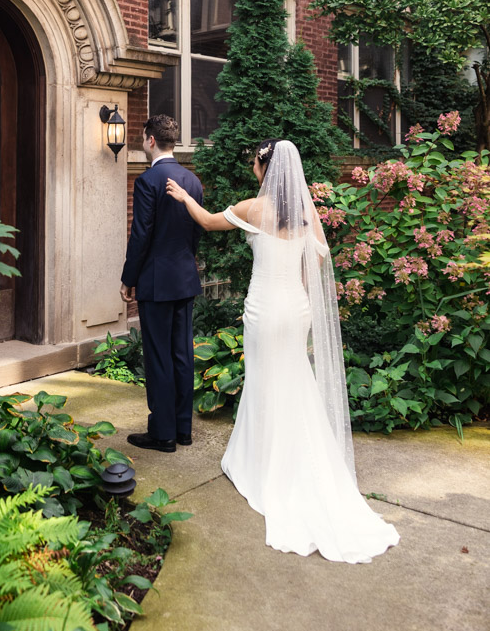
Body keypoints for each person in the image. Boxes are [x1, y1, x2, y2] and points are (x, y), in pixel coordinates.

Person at [166, 138, 400, 562]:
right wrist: (306, 310)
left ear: (264, 167)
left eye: (256, 164)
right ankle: (300, 458)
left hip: (264, 309)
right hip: (296, 310)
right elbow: (319, 264)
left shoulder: (252, 208)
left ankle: (263, 463)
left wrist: (184, 196)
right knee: (294, 379)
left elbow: (204, 221)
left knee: (265, 381)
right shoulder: (306, 214)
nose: (254, 169)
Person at [120, 114, 204, 453]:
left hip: (156, 282)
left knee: (158, 357)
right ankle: (183, 429)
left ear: (150, 140)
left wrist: (129, 278)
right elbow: (197, 230)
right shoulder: (192, 181)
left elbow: (141, 235)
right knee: (182, 354)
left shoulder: (148, 181)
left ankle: (163, 434)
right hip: (185, 278)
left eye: (143, 139)